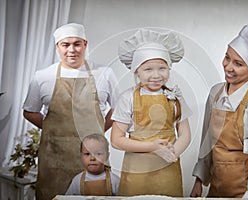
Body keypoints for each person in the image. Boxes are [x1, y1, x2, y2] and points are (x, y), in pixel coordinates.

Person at [22, 23, 119, 200]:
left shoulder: (104, 73)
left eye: (77, 44)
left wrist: (97, 131)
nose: (72, 50)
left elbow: (118, 110)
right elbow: (29, 111)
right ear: (57, 47)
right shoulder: (43, 76)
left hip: (94, 157)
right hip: (54, 158)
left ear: (85, 44)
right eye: (65, 45)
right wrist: (52, 129)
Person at [190, 24, 248, 200]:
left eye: (238, 64)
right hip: (217, 192)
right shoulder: (215, 94)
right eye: (227, 58)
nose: (228, 67)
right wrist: (199, 180)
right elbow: (208, 140)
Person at [110, 28, 192, 197]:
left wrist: (172, 153)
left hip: (168, 169)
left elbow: (185, 133)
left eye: (162, 68)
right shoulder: (128, 98)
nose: (156, 75)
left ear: (169, 68)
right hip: (136, 171)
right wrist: (152, 147)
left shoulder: (175, 96)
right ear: (136, 71)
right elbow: (116, 140)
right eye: (148, 69)